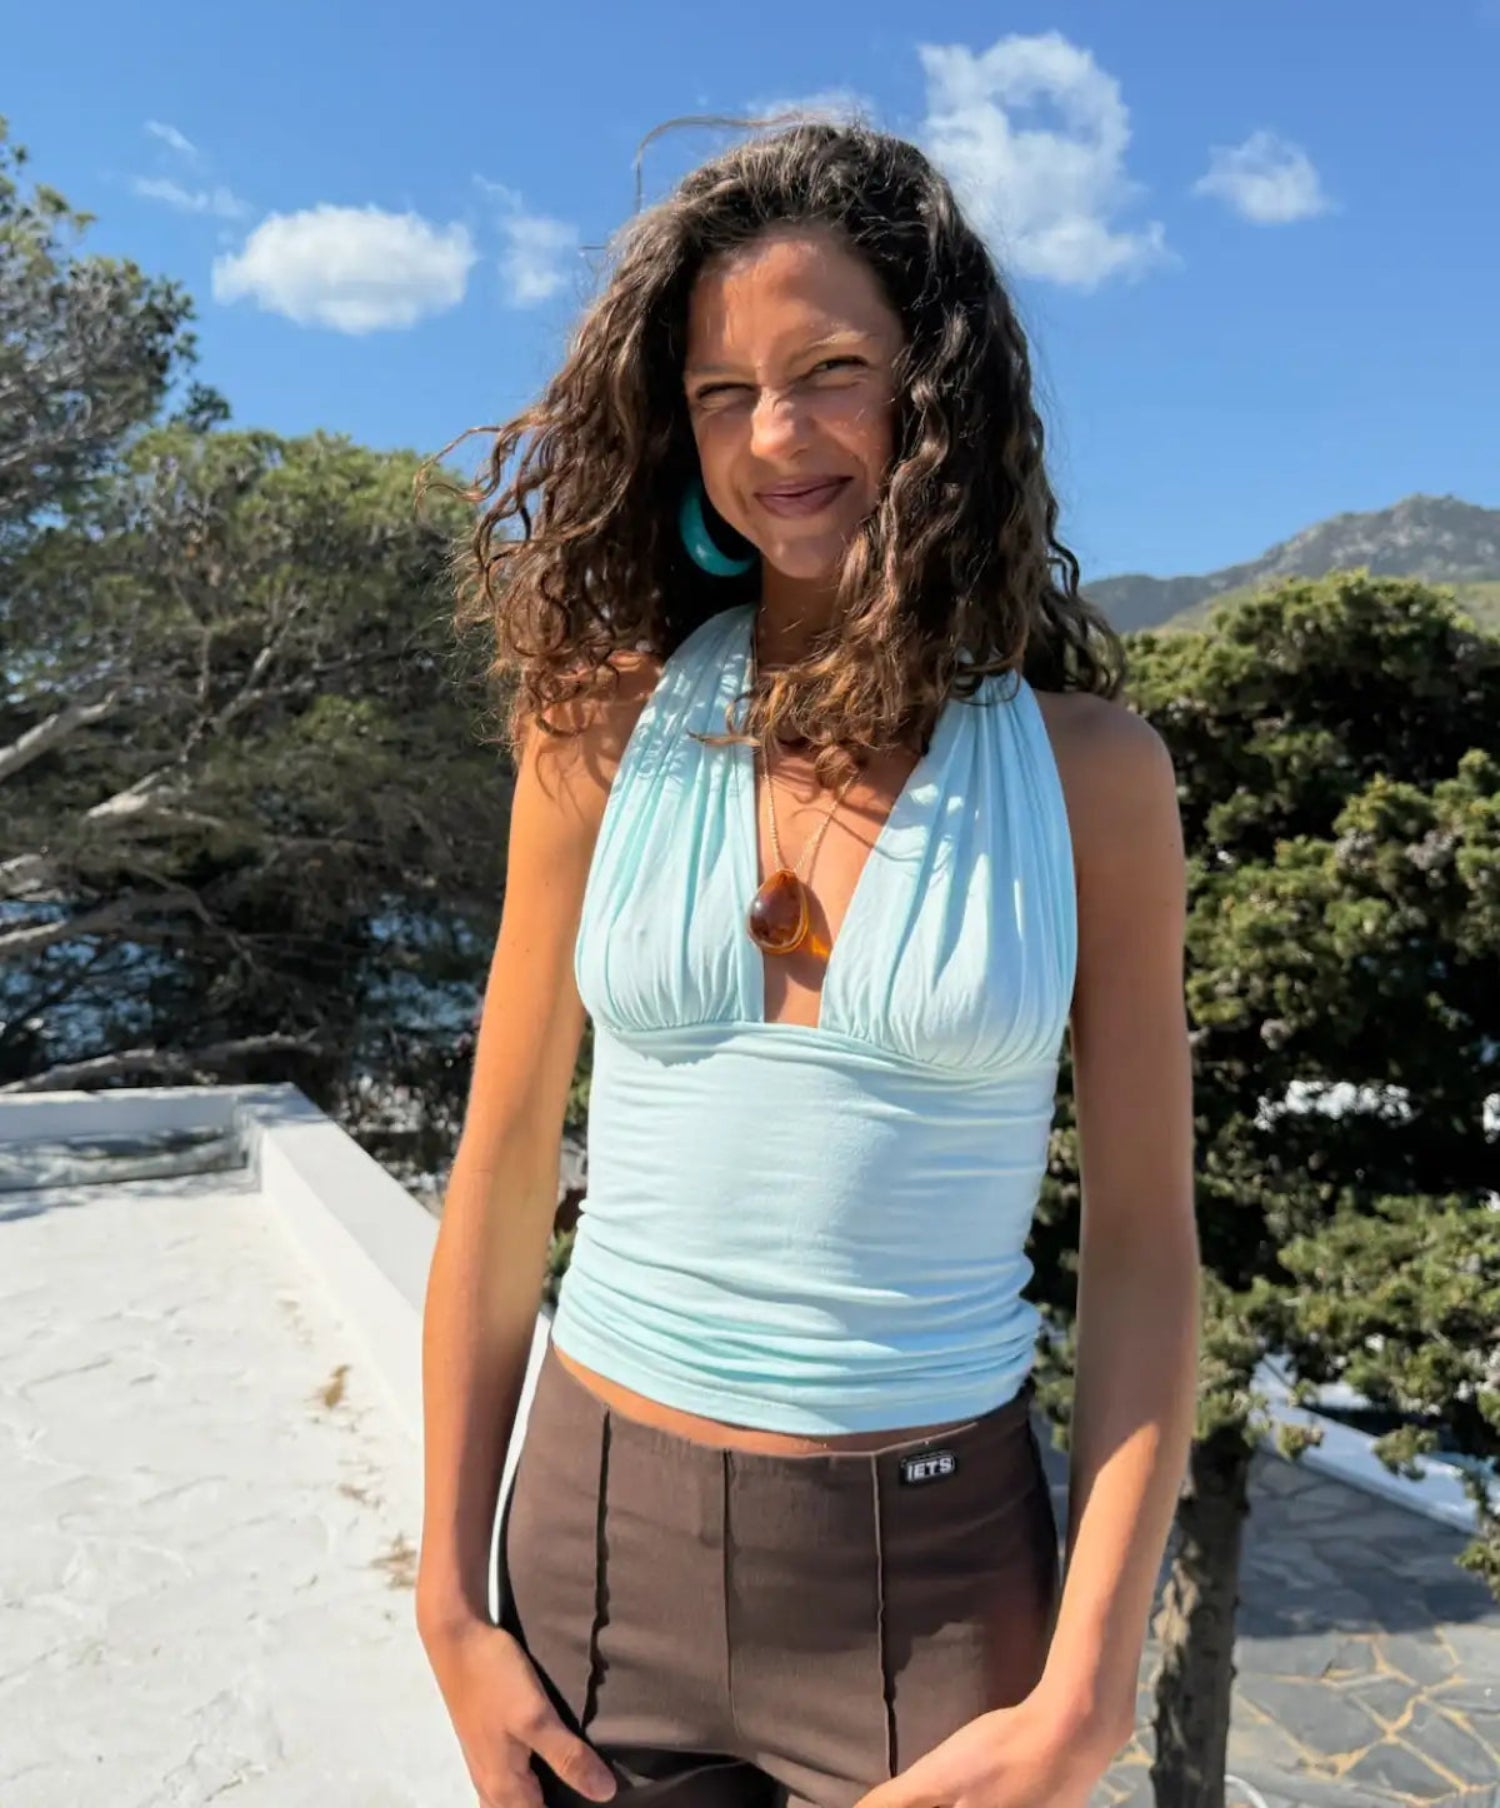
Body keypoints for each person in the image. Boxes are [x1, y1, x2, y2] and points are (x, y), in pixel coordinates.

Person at [415, 119, 1200, 1808]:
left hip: (940, 1589)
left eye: (831, 370)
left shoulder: (1092, 779)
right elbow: (501, 1165)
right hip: (589, 1549)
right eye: (722, 392)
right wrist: (446, 1601)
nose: (776, 435)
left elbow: (1144, 1249)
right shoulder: (594, 733)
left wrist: (1089, 1688)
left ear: (937, 387)